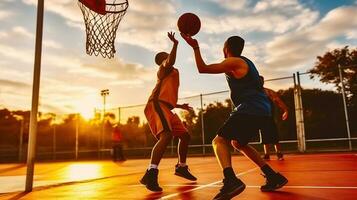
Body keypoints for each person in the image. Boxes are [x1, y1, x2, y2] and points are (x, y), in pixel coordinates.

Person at [181, 34, 288, 199]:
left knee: (218, 141)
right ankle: (272, 176)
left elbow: (202, 68)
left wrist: (195, 47)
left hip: (250, 108)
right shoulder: (246, 62)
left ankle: (231, 180)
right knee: (238, 143)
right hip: (261, 109)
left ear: (226, 49)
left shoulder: (233, 61)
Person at [140, 32, 197, 193]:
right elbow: (170, 60)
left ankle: (181, 167)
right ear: (163, 59)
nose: (169, 57)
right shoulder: (163, 68)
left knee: (185, 136)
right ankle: (151, 172)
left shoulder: (171, 73)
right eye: (167, 56)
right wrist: (175, 44)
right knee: (166, 135)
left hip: (167, 107)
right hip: (156, 105)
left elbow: (167, 95)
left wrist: (179, 105)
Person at [258, 75, 288, 161]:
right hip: (260, 118)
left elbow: (278, 101)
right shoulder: (254, 93)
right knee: (264, 137)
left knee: (274, 136)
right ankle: (267, 154)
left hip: (269, 117)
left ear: (263, 82)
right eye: (258, 80)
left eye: (261, 81)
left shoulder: (268, 92)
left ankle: (279, 153)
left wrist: (285, 110)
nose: (259, 82)